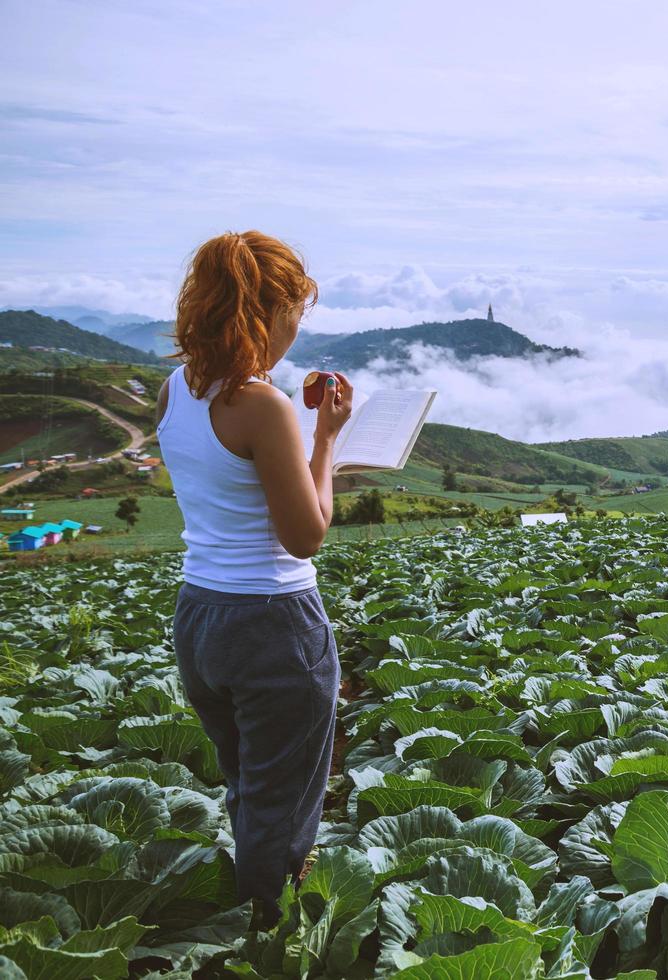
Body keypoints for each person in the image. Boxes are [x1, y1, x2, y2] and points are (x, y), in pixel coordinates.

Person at [155, 230, 353, 925]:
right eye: (296, 306)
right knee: (284, 805)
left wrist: (299, 428)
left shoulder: (177, 389)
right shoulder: (263, 405)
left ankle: (249, 912)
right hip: (273, 624)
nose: (299, 322)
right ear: (267, 310)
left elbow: (230, 485)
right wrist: (325, 441)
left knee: (249, 784)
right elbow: (305, 536)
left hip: (201, 617)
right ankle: (264, 940)